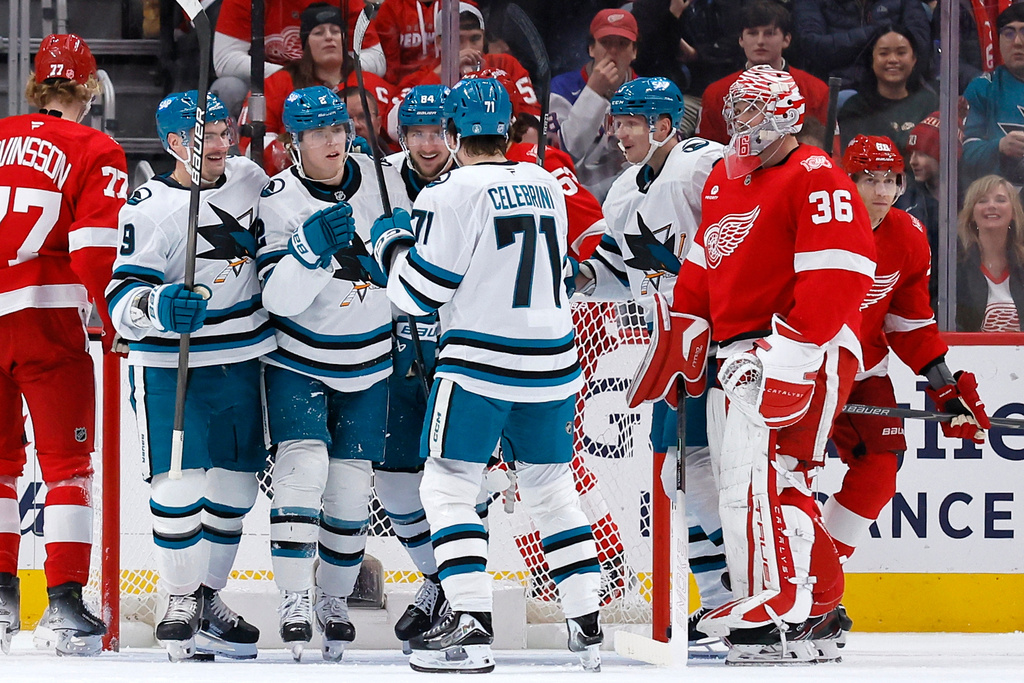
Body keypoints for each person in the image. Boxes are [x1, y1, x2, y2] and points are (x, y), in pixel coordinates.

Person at [628, 65, 876, 664]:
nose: (741, 124)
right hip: (737, 354)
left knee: (767, 481)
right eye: (735, 111)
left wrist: (790, 351)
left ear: (787, 114)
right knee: (751, 484)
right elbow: (707, 262)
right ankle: (814, 609)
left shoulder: (817, 177)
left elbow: (843, 271)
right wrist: (689, 326)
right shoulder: (723, 180)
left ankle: (780, 602)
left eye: (752, 111)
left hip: (801, 349)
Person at [370, 78, 602, 673]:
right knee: (551, 491)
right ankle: (587, 626)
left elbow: (419, 295)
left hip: (480, 363)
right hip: (555, 362)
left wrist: (391, 243)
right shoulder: (545, 181)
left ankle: (471, 627)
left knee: (446, 488)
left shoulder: (448, 192)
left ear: (452, 135)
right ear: (506, 130)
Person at [106, 91, 275, 661]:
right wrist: (157, 307)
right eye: (209, 134)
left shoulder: (251, 179)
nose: (223, 144)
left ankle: (207, 599)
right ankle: (177, 598)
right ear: (175, 143)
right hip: (171, 366)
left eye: (227, 131)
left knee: (235, 486)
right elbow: (119, 295)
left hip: (243, 355)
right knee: (178, 485)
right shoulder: (148, 204)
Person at [573, 76, 732, 652]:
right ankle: (720, 602)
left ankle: (759, 592)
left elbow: (748, 232)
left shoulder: (701, 164)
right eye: (617, 123)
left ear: (664, 126)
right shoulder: (620, 194)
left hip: (729, 345)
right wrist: (577, 277)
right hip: (676, 353)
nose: (618, 134)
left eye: (631, 123)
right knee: (678, 476)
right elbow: (620, 271)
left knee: (731, 477)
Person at [255, 86, 408, 661]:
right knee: (302, 470)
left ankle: (334, 600)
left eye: (338, 128)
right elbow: (278, 299)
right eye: (317, 132)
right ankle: (294, 599)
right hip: (299, 357)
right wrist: (309, 250)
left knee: (349, 493)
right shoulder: (279, 199)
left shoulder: (379, 177)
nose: (332, 140)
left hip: (370, 360)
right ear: (292, 144)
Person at [824, 136, 990, 648]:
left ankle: (817, 584)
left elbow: (910, 323)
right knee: (787, 475)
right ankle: (780, 587)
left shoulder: (908, 235)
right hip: (799, 367)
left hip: (864, 367)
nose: (882, 190)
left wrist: (947, 390)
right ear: (846, 181)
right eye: (869, 177)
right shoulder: (816, 225)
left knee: (881, 466)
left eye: (890, 179)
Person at [0, 33, 127, 657]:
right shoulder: (95, 147)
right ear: (89, 88)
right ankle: (64, 603)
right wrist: (111, 315)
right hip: (48, 320)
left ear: (34, 85)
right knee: (66, 469)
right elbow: (93, 252)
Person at [237, 3, 395, 172]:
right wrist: (297, 154)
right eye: (318, 33)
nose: (329, 37)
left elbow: (397, 138)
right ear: (305, 43)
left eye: (335, 31)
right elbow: (253, 144)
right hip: (297, 180)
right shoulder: (277, 84)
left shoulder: (372, 84)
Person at [212, 0, 385, 117]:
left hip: (333, 84)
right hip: (270, 85)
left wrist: (329, 73)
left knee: (372, 88)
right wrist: (290, 77)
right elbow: (225, 60)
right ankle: (233, 163)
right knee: (228, 88)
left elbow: (376, 61)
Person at [697, 1, 830, 147]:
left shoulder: (816, 91)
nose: (760, 41)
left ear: (786, 39)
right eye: (752, 33)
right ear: (741, 39)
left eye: (769, 33)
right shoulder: (715, 94)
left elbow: (831, 154)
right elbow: (706, 154)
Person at [549, 8, 639, 202]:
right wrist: (594, 93)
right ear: (591, 48)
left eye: (623, 44)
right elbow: (563, 155)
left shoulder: (650, 92)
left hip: (634, 195)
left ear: (634, 51)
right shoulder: (561, 88)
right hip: (577, 197)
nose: (613, 51)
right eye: (605, 43)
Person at [395, 3, 540, 120]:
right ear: (440, 42)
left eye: (475, 38)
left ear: (484, 38)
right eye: (458, 39)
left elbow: (533, 118)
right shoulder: (421, 77)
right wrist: (441, 73)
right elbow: (394, 125)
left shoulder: (505, 65)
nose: (468, 48)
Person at [837, 26, 937, 155]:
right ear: (871, 60)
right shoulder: (855, 109)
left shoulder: (930, 104)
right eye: (884, 53)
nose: (893, 60)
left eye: (901, 53)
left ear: (914, 59)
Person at [791, 0, 931, 88]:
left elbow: (919, 44)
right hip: (838, 85)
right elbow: (814, 46)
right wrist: (876, 34)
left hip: (897, 86)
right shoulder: (810, 3)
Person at [962, 4, 1024, 187]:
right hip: (998, 201)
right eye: (1009, 33)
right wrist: (1000, 146)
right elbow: (963, 154)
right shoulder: (983, 88)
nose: (1018, 42)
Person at [955, 174, 1024, 331]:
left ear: (1013, 212)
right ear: (971, 214)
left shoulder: (1022, 263)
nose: (991, 206)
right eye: (982, 201)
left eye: (1000, 200)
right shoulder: (957, 267)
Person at [896, 111, 945, 308]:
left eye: (923, 154)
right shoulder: (907, 199)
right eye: (912, 154)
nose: (913, 161)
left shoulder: (967, 197)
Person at [373, 0, 443, 85]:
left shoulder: (458, 4)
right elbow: (390, 67)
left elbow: (463, 53)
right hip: (404, 85)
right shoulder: (391, 7)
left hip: (449, 81)